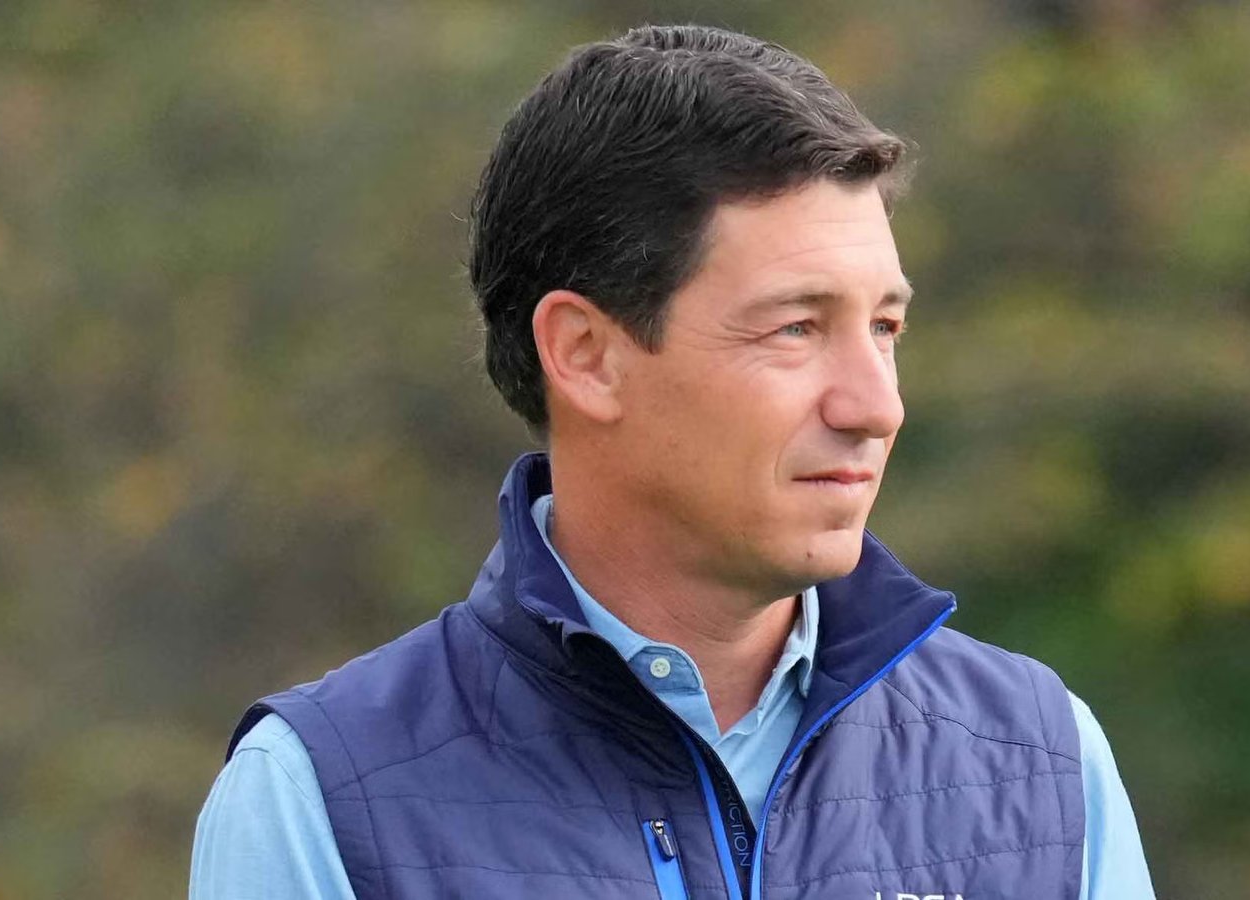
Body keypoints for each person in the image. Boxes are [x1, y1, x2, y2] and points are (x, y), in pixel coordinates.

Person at [190, 24, 1155, 900]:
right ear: (585, 355)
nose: (876, 406)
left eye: (885, 328)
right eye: (796, 327)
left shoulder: (1044, 762)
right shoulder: (318, 799)